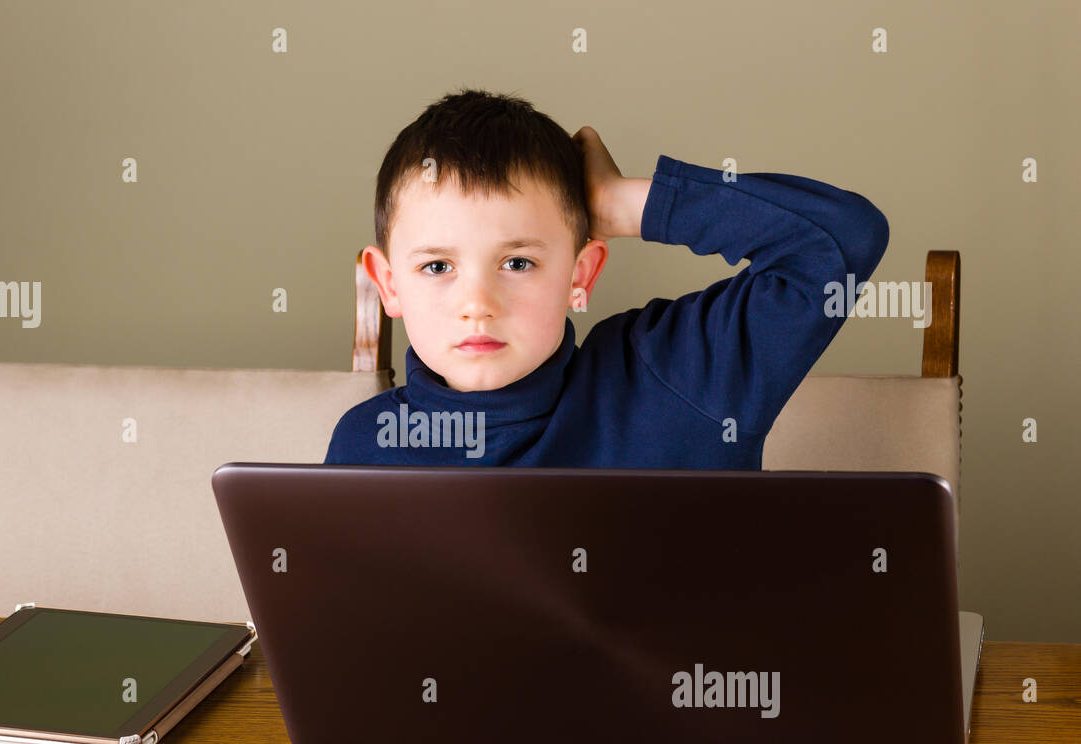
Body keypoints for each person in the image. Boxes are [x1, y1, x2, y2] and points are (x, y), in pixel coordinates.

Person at [324, 88, 889, 468]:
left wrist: (626, 205)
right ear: (388, 284)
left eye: (517, 262)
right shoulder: (365, 445)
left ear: (580, 273)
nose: (477, 303)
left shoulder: (675, 376)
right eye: (437, 266)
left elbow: (840, 240)